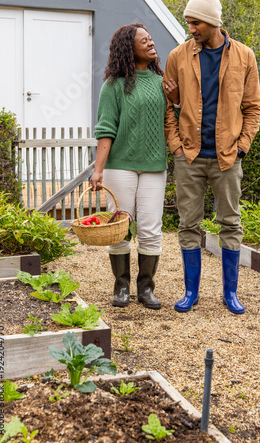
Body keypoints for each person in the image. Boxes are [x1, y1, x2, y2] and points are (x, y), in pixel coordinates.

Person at [163, 0, 260, 315]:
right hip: (189, 157)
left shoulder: (245, 57)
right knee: (188, 224)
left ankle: (229, 294)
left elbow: (253, 108)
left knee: (230, 224)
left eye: (196, 22)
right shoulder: (177, 57)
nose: (190, 28)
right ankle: (191, 292)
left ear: (213, 22)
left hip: (227, 158)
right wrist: (177, 147)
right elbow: (168, 108)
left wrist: (242, 146)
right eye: (189, 22)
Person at [90, 23, 167, 310]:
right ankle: (121, 287)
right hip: (120, 166)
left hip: (154, 166)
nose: (150, 43)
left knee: (150, 229)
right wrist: (98, 170)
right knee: (120, 227)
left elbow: (175, 120)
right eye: (143, 40)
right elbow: (106, 128)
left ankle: (145, 288)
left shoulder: (162, 83)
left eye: (150, 39)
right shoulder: (113, 85)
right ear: (128, 48)